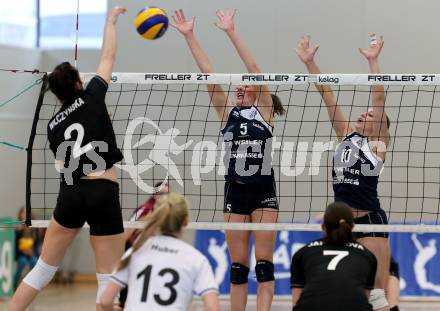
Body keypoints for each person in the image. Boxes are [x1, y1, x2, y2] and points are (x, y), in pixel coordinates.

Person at [8, 7, 127, 311]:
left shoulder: (51, 126)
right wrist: (110, 21)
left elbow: (67, 162)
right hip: (102, 192)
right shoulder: (93, 97)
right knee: (108, 277)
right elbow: (108, 56)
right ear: (78, 83)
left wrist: (99, 121)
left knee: (43, 270)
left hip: (71, 194)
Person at [172, 8, 285, 311]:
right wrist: (190, 36)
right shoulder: (227, 114)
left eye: (246, 84)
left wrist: (231, 32)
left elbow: (254, 67)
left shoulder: (264, 111)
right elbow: (209, 74)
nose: (240, 86)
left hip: (263, 192)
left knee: (263, 266)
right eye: (239, 83)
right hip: (234, 191)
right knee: (238, 268)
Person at [296, 34, 390, 311]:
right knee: (345, 292)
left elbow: (379, 95)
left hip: (370, 221)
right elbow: (327, 94)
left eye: (371, 116)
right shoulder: (346, 136)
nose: (364, 115)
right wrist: (310, 63)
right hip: (341, 224)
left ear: (381, 127)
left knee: (377, 295)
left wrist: (374, 62)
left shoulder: (377, 145)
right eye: (363, 113)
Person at [99, 192, 220, 311]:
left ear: (157, 216)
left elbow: (105, 301)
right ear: (186, 220)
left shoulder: (135, 251)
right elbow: (212, 308)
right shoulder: (197, 259)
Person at [291, 202, 377, 311]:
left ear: (323, 226)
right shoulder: (367, 255)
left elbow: (296, 301)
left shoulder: (302, 253)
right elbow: (366, 296)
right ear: (353, 226)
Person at [117, 182, 169, 309]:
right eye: (161, 194)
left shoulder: (168, 212)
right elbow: (127, 233)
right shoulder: (145, 209)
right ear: (155, 194)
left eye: (167, 194)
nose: (164, 197)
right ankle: (124, 302)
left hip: (155, 251)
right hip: (135, 249)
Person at [14, 207, 43, 290]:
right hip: (20, 253)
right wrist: (18, 231)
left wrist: (32, 252)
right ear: (20, 215)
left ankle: (29, 285)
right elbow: (15, 244)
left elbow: (37, 243)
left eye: (27, 213)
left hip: (31, 253)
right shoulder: (18, 227)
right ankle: (15, 283)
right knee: (22, 262)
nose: (25, 215)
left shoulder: (34, 227)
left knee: (34, 262)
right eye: (23, 213)